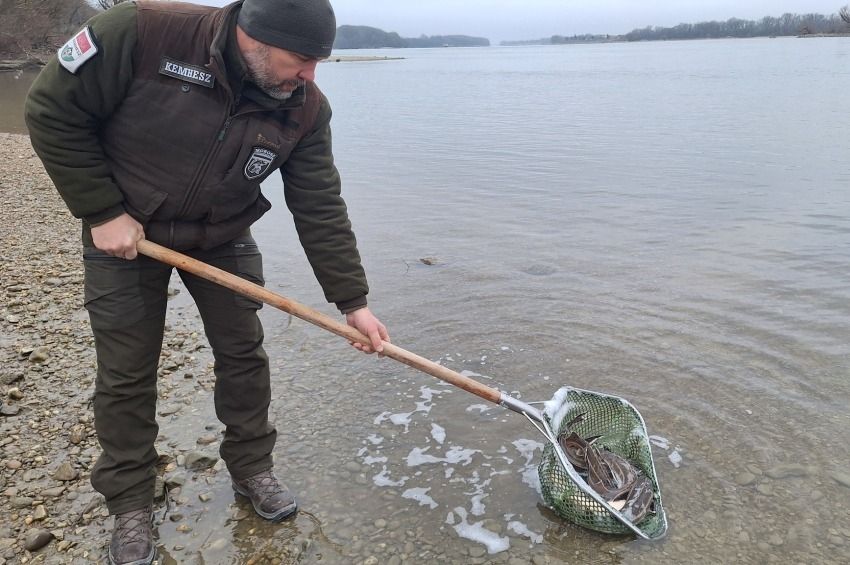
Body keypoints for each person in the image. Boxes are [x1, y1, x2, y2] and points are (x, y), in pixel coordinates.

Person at [25, 0, 390, 563]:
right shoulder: (139, 31)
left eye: (319, 61)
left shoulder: (305, 110)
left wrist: (353, 303)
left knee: (244, 354)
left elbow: (319, 206)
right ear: (254, 36)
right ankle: (129, 503)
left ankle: (252, 469)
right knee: (126, 370)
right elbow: (52, 111)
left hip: (221, 234)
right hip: (125, 231)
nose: (311, 76)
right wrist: (101, 211)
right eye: (302, 59)